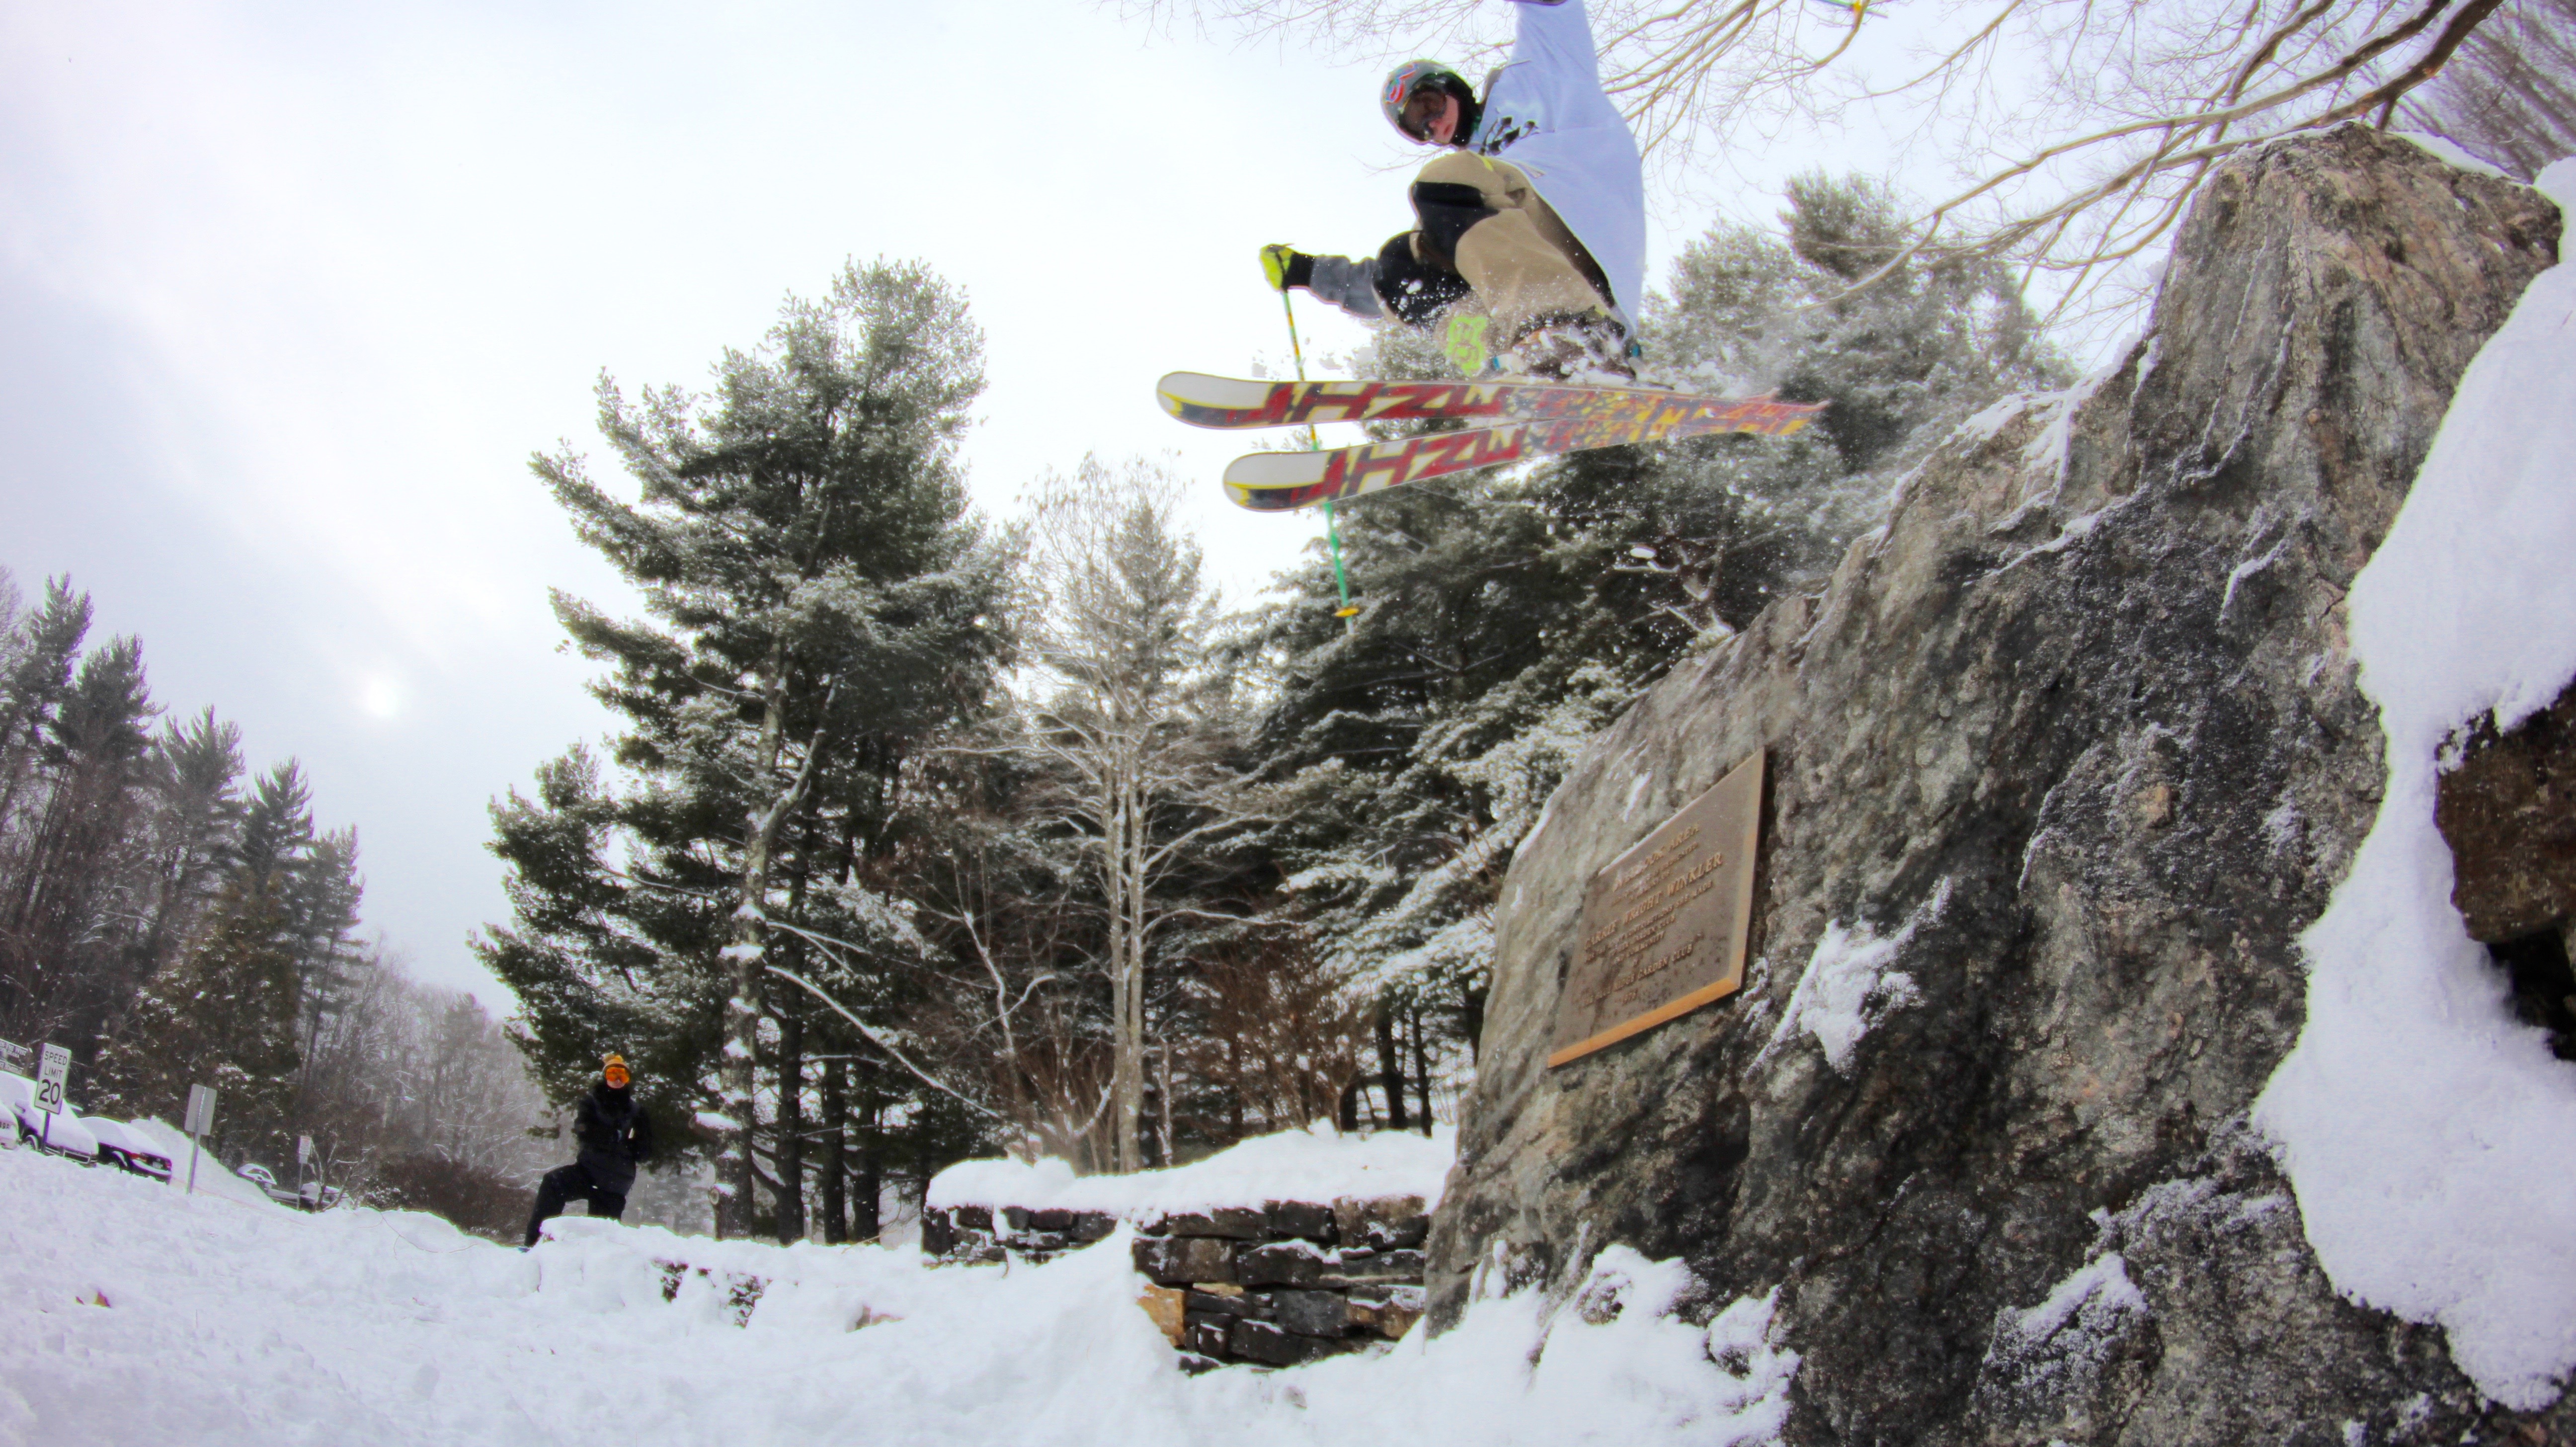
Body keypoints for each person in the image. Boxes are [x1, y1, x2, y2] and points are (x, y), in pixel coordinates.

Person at [1262, 0, 1647, 379]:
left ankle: (1569, 331)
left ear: (1450, 86)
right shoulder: (1463, 196)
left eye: (1429, 103)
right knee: (1401, 264)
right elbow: (1387, 286)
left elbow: (1552, 9)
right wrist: (1309, 273)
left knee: (1445, 182)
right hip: (1533, 263)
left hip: (1584, 238)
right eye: (1418, 126)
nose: (1433, 124)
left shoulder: (1537, 77)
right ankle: (1521, 368)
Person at [523, 1052, 654, 1249]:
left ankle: (597, 1268)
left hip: (615, 1181)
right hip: (588, 1171)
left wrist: (630, 1146)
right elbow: (584, 1130)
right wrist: (614, 1137)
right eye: (613, 1074)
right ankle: (535, 1245)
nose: (618, 1080)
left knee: (601, 1240)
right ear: (605, 1077)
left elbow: (645, 1150)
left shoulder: (636, 1111)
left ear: (628, 1080)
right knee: (554, 1183)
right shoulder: (591, 1103)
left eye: (623, 1076)